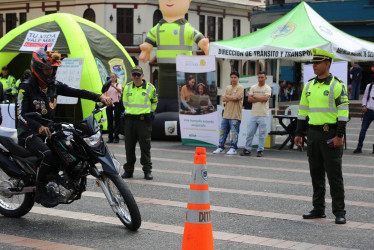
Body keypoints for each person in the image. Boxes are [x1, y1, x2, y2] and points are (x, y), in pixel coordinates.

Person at [17, 48, 112, 208]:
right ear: (38, 69)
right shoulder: (26, 87)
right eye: (47, 69)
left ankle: (62, 180)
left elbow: (76, 92)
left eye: (53, 69)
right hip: (28, 132)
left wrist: (99, 97)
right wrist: (38, 127)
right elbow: (22, 114)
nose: (50, 72)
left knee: (69, 148)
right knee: (47, 155)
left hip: (49, 130)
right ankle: (40, 192)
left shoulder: (54, 85)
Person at [294, 48, 349, 225]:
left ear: (328, 64)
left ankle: (339, 212)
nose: (314, 65)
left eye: (317, 63)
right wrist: (298, 133)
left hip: (331, 134)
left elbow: (343, 112)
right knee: (315, 174)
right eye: (313, 63)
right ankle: (318, 208)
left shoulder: (337, 85)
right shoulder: (309, 85)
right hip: (313, 133)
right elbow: (302, 111)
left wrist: (340, 134)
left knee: (334, 175)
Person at [139, 0, 209, 113]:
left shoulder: (185, 27)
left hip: (182, 67)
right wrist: (146, 48)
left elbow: (197, 36)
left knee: (181, 87)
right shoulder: (158, 27)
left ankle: (178, 104)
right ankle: (163, 102)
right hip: (163, 67)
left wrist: (203, 43)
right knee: (164, 85)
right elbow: (150, 39)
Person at [121, 66, 158, 180]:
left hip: (143, 121)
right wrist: (131, 112)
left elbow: (155, 101)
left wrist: (151, 112)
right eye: (134, 75)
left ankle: (147, 171)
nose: (136, 77)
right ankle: (129, 170)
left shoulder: (150, 88)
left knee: (145, 147)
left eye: (138, 75)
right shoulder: (127, 88)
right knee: (129, 147)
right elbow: (125, 103)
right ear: (131, 76)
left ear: (142, 75)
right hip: (130, 121)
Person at [240, 71, 271, 157]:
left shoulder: (267, 88)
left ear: (265, 78)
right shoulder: (253, 87)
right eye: (259, 77)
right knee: (250, 133)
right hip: (254, 114)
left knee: (262, 134)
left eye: (262, 77)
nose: (260, 79)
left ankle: (260, 150)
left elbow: (265, 99)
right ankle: (247, 149)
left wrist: (255, 97)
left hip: (263, 114)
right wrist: (260, 98)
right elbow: (249, 99)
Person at [213, 71, 244, 155]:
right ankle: (221, 147)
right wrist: (231, 97)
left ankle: (233, 148)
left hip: (235, 115)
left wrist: (228, 97)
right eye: (232, 77)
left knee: (234, 132)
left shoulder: (240, 87)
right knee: (222, 131)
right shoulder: (228, 87)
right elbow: (223, 99)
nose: (233, 79)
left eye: (235, 77)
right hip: (226, 114)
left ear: (238, 78)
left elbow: (236, 98)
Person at [353, 76, 374, 154]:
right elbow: (365, 97)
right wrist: (364, 105)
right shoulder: (369, 86)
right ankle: (359, 147)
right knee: (363, 130)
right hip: (368, 111)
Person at [102, 72, 123, 143]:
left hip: (116, 103)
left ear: (116, 78)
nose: (112, 78)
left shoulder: (118, 84)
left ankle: (116, 137)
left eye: (113, 77)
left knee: (117, 120)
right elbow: (104, 94)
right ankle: (110, 137)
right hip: (109, 104)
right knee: (109, 120)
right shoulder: (107, 86)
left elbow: (120, 91)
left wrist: (113, 86)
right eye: (110, 77)